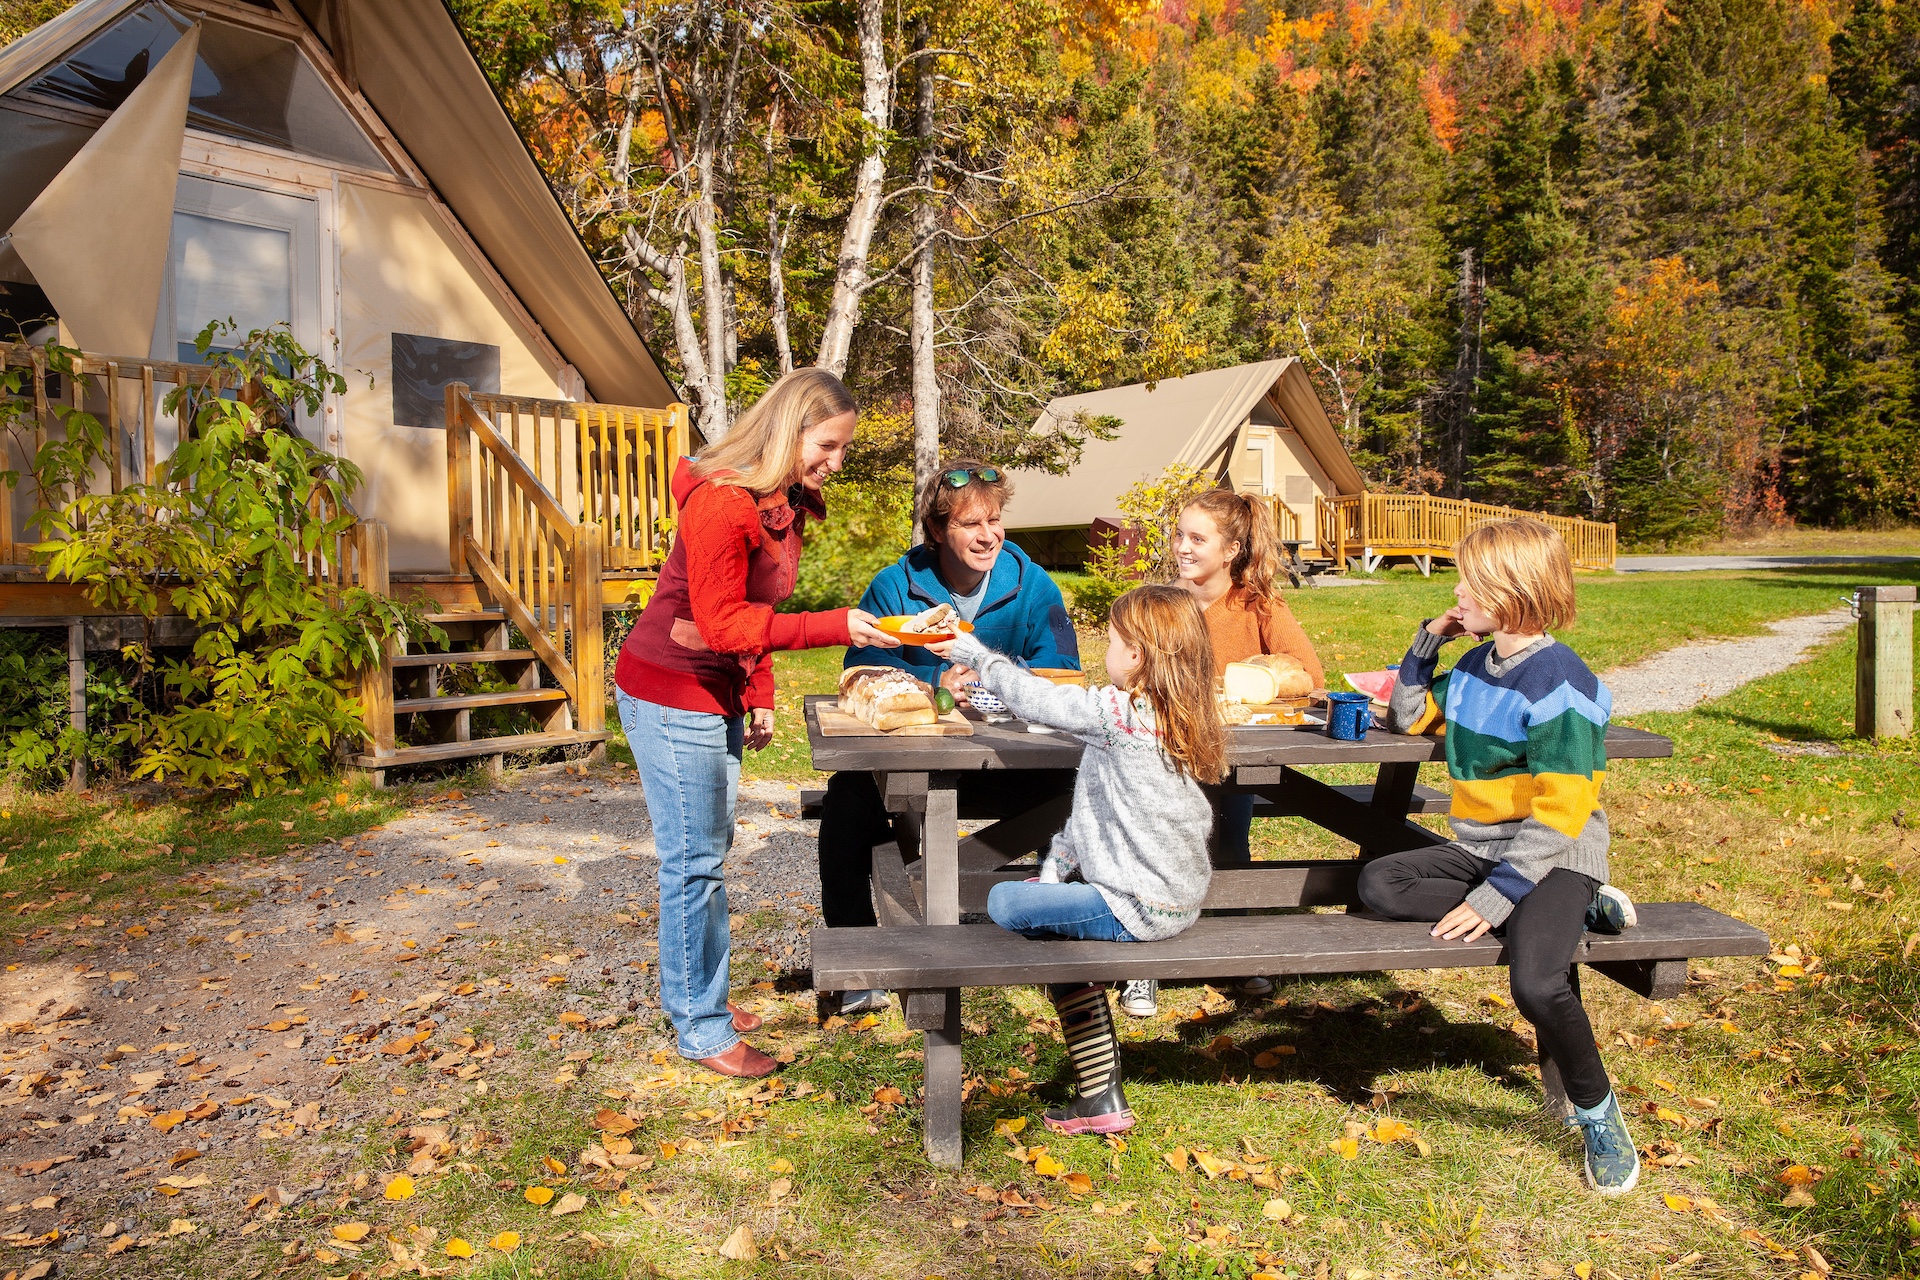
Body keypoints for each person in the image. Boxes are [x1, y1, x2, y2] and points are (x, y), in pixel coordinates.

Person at [614, 368, 902, 1079]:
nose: (835, 464)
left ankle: (695, 993)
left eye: (842, 451)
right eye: (829, 446)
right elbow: (721, 620)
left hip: (712, 686)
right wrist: (838, 625)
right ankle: (702, 1028)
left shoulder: (782, 502)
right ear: (790, 429)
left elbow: (752, 607)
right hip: (669, 688)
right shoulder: (721, 503)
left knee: (706, 853)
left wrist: (760, 689)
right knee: (694, 865)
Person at [1360, 518, 1641, 1195]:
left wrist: (1496, 899)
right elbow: (1409, 717)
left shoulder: (1562, 681)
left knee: (1536, 982)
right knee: (1379, 883)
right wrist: (1429, 641)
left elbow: (1561, 813)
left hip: (1556, 853)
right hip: (1483, 849)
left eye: (1469, 582)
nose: (1457, 591)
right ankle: (1576, 913)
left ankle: (1598, 1114)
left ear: (1511, 592)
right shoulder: (1475, 667)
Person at [927, 584, 1224, 1136]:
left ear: (1136, 656)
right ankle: (1099, 1096)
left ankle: (1100, 1092)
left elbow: (1037, 699)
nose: (1102, 651)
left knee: (1003, 901)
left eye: (1110, 640)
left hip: (1138, 905)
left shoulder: (1120, 711)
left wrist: (974, 655)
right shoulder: (1178, 713)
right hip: (1175, 899)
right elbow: (1111, 807)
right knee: (1055, 929)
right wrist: (1060, 856)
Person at [816, 461, 1081, 1015]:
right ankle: (861, 963)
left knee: (1084, 793)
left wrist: (994, 681)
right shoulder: (894, 585)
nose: (988, 535)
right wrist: (937, 684)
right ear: (938, 531)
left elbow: (1063, 670)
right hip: (915, 762)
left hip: (1015, 764)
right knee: (846, 800)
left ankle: (1075, 943)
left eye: (996, 520)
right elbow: (860, 672)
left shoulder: (1035, 586)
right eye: (970, 524)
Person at [1118, 488, 1324, 1019]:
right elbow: (1124, 674)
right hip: (1160, 755)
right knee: (1156, 849)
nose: (1182, 547)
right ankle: (1144, 964)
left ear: (1230, 550)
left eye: (1196, 538)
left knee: (1230, 846)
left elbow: (1310, 676)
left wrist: (1249, 681)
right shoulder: (1162, 604)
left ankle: (1236, 950)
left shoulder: (1258, 605)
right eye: (1179, 535)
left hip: (1232, 759)